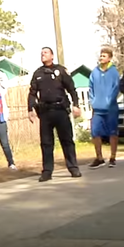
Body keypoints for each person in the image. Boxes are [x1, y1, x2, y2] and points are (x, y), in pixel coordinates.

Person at [27, 47, 82, 182]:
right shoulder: (38, 73)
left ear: (52, 56)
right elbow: (32, 93)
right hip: (45, 112)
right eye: (41, 53)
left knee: (67, 140)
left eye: (45, 53)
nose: (43, 55)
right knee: (46, 143)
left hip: (60, 110)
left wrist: (76, 105)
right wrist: (30, 109)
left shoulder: (61, 70)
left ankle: (73, 167)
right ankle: (47, 171)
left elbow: (71, 89)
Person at [88, 47, 121, 169]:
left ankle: (112, 157)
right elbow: (90, 88)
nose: (101, 57)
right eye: (101, 55)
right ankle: (99, 157)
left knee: (112, 132)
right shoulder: (94, 72)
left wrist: (109, 101)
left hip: (110, 108)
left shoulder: (114, 72)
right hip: (97, 108)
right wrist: (93, 101)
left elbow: (116, 88)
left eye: (104, 56)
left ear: (109, 58)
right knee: (95, 132)